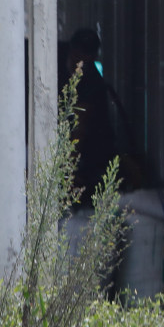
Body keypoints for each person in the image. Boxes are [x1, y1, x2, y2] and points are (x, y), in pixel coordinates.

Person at [64, 28, 117, 205]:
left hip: (90, 158)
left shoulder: (91, 84)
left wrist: (69, 169)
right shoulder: (53, 64)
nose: (81, 65)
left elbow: (80, 128)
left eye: (86, 61)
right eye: (78, 58)